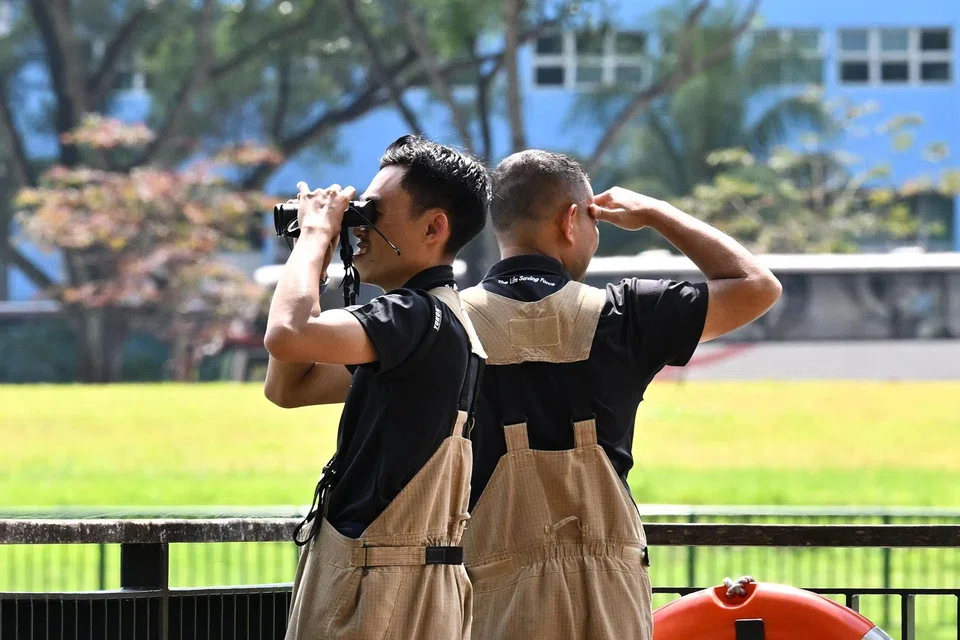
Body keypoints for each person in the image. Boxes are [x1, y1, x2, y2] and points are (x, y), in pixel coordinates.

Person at [458, 150, 782, 639]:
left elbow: (299, 381)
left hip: (490, 600)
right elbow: (756, 286)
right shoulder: (625, 315)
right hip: (608, 598)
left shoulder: (445, 324)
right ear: (572, 221)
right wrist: (655, 213)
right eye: (593, 223)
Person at [263, 135, 490, 640]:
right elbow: (288, 385)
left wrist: (313, 237)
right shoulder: (439, 321)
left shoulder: (412, 316)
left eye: (373, 212)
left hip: (378, 591)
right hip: (407, 582)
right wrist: (315, 266)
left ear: (434, 227)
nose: (358, 227)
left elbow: (285, 333)